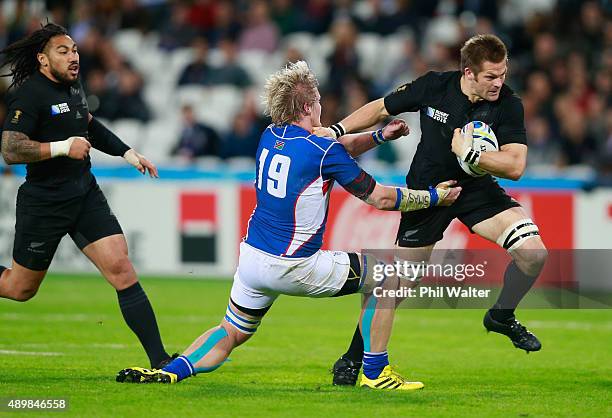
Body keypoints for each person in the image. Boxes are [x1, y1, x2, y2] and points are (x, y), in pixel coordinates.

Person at [116, 60, 461, 389]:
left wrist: (379, 136)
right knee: (390, 276)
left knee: (232, 330)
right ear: (309, 106)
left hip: (252, 260)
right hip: (295, 263)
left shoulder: (270, 134)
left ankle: (172, 372)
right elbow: (380, 198)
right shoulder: (322, 151)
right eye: (320, 102)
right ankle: (375, 371)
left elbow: (334, 146)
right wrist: (433, 197)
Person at [315, 34, 548, 386]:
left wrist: (473, 157)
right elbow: (380, 108)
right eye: (490, 76)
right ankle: (352, 358)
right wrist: (336, 130)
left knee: (534, 254)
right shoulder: (434, 86)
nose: (499, 83)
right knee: (396, 286)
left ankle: (502, 315)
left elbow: (515, 165)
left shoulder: (508, 104)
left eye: (502, 74)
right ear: (468, 73)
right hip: (428, 193)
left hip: (476, 190)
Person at [0, 23, 173, 370]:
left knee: (122, 270)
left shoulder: (74, 87)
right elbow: (11, 149)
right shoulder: (29, 94)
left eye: (75, 49)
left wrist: (128, 153)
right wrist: (64, 147)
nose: (73, 56)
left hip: (84, 194)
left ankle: (161, 361)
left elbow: (89, 125)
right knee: (20, 289)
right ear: (42, 59)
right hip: (44, 201)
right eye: (63, 51)